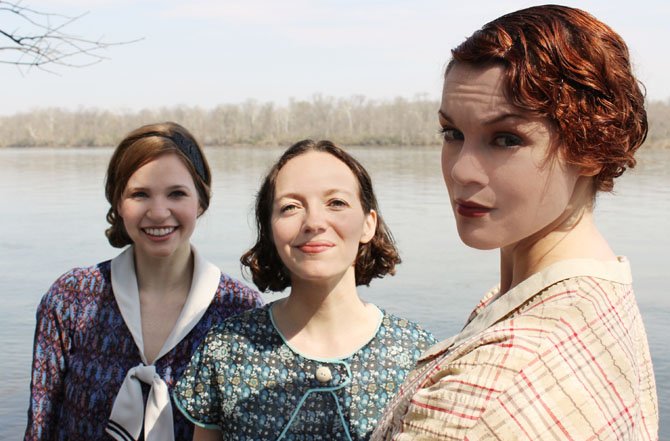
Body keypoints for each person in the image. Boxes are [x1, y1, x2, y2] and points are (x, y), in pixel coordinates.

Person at [372, 5, 658, 440]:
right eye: (452, 134)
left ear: (591, 148)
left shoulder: (491, 389)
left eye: (506, 139)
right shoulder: (601, 293)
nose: (461, 170)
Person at [172, 139, 437, 440]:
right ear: (270, 229)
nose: (313, 222)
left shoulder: (420, 357)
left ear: (368, 224)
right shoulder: (227, 348)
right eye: (290, 207)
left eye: (336, 202)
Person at [24, 122, 263, 441]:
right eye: (140, 194)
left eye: (177, 193)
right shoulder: (71, 298)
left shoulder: (239, 311)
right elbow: (41, 427)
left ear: (201, 201)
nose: (159, 212)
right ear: (118, 203)